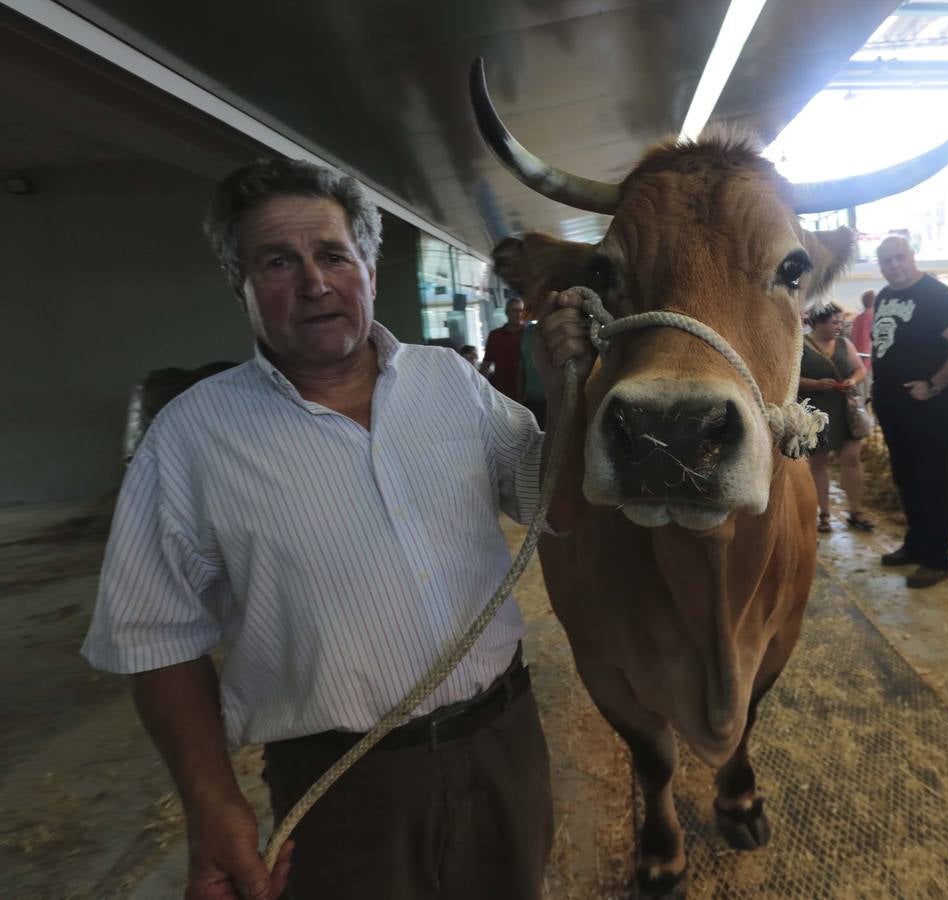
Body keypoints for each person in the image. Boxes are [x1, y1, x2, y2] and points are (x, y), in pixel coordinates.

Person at [81, 158, 595, 900]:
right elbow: (154, 637)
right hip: (344, 787)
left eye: (332, 255)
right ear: (243, 287)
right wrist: (210, 801)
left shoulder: (450, 385)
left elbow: (562, 505)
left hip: (503, 746)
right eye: (279, 262)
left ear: (368, 269)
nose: (315, 283)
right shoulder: (190, 439)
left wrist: (572, 387)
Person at [869, 236, 948, 589]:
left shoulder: (936, 294)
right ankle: (916, 544)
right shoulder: (886, 296)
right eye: (886, 261)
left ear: (913, 256)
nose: (894, 266)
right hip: (894, 405)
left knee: (931, 480)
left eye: (899, 258)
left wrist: (934, 384)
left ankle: (937, 559)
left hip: (928, 406)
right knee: (906, 477)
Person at [797, 303, 874, 534]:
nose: (839, 326)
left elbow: (860, 369)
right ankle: (823, 514)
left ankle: (856, 511)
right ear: (817, 323)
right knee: (818, 462)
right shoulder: (799, 345)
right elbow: (790, 377)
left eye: (841, 322)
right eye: (834, 322)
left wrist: (853, 380)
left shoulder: (844, 343)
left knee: (851, 458)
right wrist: (815, 384)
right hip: (815, 411)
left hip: (844, 409)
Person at [482, 297, 527, 402]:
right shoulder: (495, 336)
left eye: (521, 311)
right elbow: (486, 364)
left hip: (527, 392)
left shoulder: (530, 334)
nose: (519, 314)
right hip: (502, 391)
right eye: (515, 310)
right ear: (507, 312)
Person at [851, 289, 876, 375]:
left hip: (857, 360)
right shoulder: (876, 318)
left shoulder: (857, 319)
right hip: (871, 360)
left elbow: (853, 338)